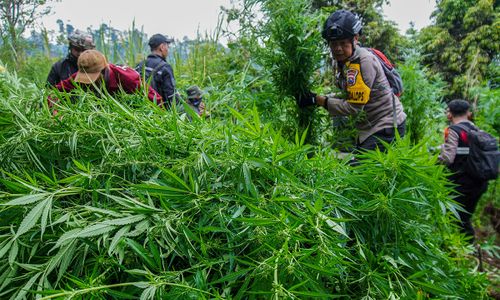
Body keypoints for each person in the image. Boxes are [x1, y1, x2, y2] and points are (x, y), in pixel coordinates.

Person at [297, 9, 406, 151]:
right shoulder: (346, 62)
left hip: (386, 127)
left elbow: (353, 107)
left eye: (343, 43)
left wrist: (319, 100)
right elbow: (349, 95)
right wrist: (318, 98)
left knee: (359, 170)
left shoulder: (363, 62)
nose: (338, 49)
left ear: (355, 39)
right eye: (333, 44)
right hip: (371, 128)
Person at [438, 99, 489, 240]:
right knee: (465, 216)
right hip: (479, 182)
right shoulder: (478, 131)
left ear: (449, 114)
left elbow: (447, 158)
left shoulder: (453, 131)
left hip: (460, 183)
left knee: (456, 217)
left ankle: (464, 248)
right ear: (469, 113)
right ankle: (467, 248)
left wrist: (433, 164)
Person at [48, 49, 162, 109]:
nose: (89, 83)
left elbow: (156, 100)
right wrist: (55, 112)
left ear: (103, 71)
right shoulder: (80, 75)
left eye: (93, 78)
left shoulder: (127, 78)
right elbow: (54, 93)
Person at [135, 34, 180, 109]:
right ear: (162, 47)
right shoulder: (165, 67)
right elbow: (171, 96)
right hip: (158, 111)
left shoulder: (139, 66)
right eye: (167, 47)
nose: (167, 50)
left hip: (141, 109)